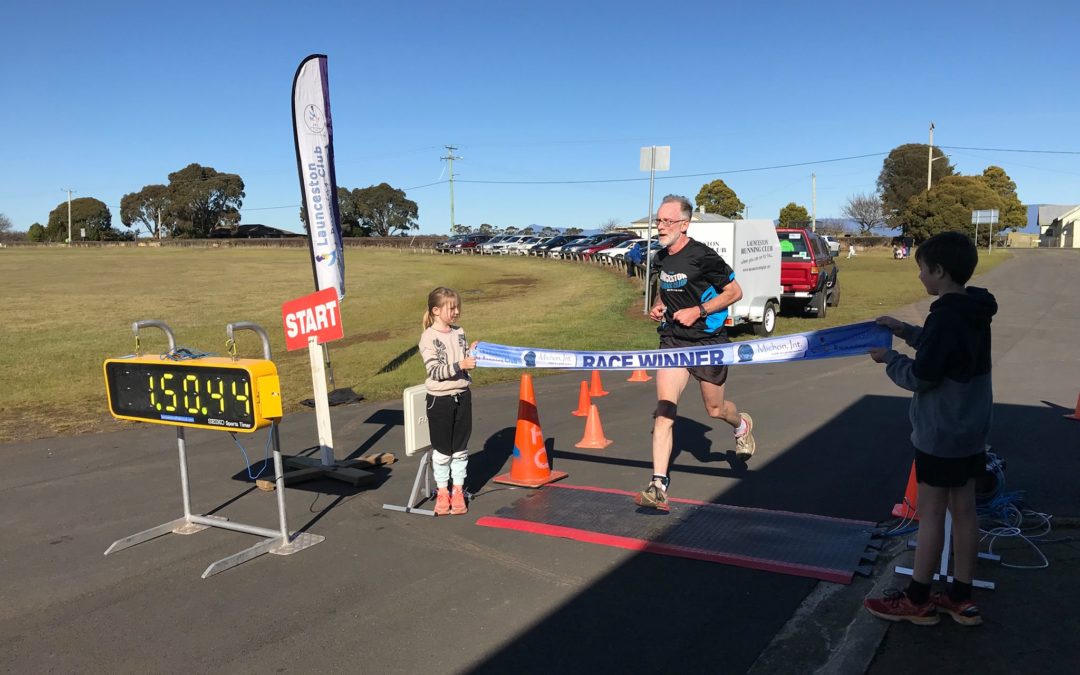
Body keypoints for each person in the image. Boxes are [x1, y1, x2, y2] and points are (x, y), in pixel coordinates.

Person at [863, 232, 996, 626]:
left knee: (932, 514)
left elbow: (922, 376)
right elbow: (944, 351)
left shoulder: (945, 315)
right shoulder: (974, 309)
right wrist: (904, 328)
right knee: (966, 512)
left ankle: (917, 598)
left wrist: (890, 358)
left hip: (940, 433)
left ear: (939, 271)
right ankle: (961, 596)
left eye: (922, 269)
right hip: (971, 431)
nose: (920, 276)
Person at [634, 195, 756, 511]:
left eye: (667, 221)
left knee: (714, 409)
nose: (660, 226)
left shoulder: (703, 256)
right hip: (673, 341)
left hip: (707, 341)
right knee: (663, 412)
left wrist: (698, 310)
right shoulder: (660, 258)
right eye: (658, 220)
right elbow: (667, 289)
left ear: (684, 224)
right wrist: (661, 306)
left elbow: (735, 292)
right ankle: (657, 485)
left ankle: (741, 425)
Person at [419, 286, 479, 516]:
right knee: (443, 450)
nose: (456, 312)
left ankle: (458, 490)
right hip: (440, 400)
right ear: (435, 310)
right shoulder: (428, 337)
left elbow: (464, 360)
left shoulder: (459, 332)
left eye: (457, 307)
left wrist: (473, 352)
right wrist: (459, 365)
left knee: (460, 449)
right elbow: (434, 371)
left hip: (463, 396)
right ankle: (442, 491)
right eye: (451, 308)